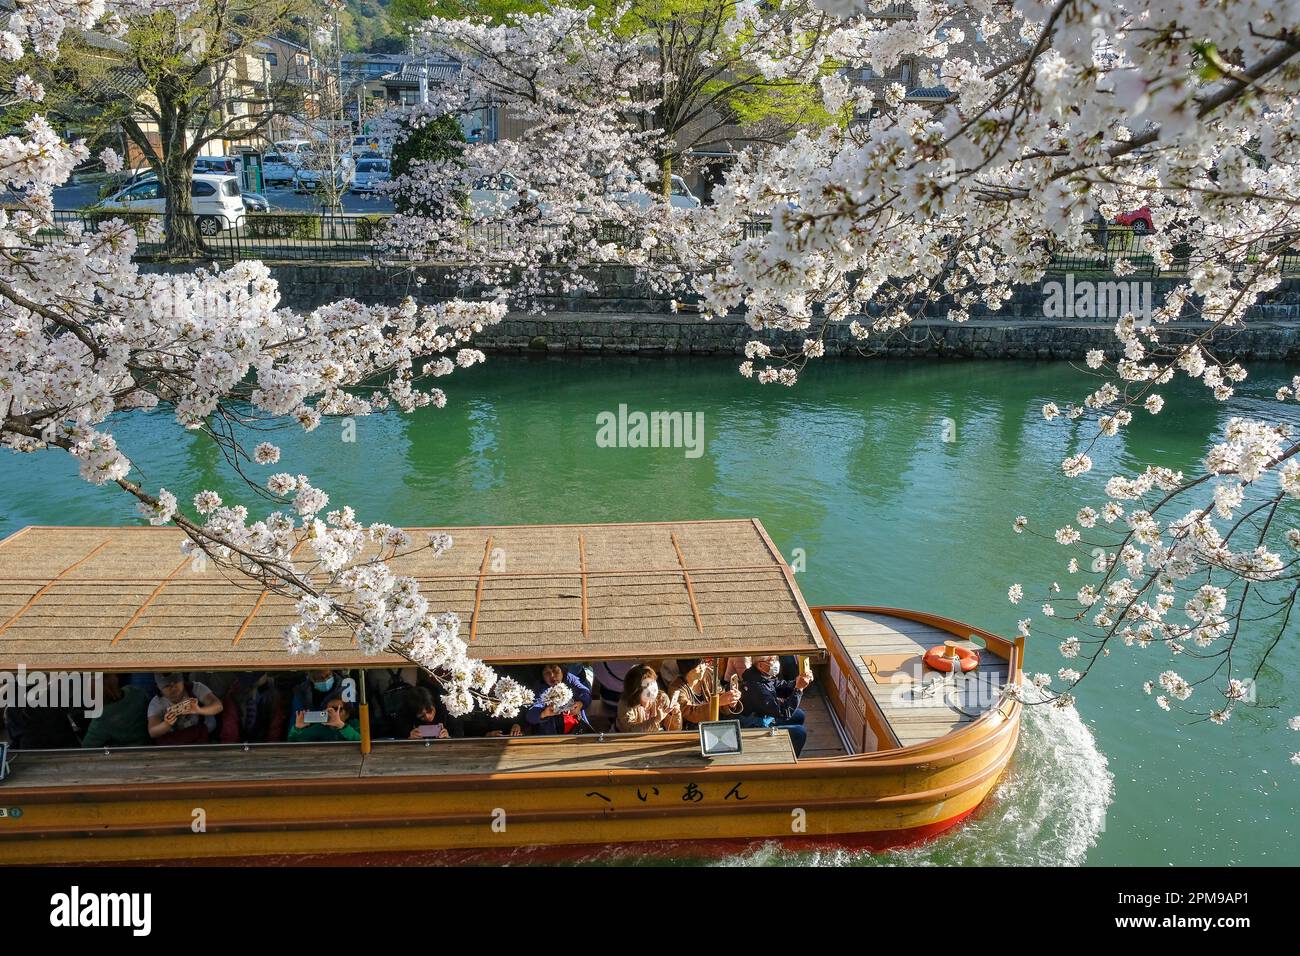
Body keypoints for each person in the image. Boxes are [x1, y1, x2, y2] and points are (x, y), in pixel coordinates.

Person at [739, 655, 812, 756]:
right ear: (760, 665)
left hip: (765, 715)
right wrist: (799, 689)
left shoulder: (760, 675)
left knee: (799, 715)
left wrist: (798, 681)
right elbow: (784, 712)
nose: (776, 662)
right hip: (756, 726)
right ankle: (786, 761)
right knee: (799, 733)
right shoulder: (758, 688)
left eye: (775, 659)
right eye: (771, 660)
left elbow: (781, 687)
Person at [147, 672, 223, 745]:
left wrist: (199, 710)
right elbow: (152, 732)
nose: (173, 688)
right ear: (159, 687)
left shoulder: (195, 688)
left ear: (182, 680)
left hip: (200, 738)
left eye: (176, 682)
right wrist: (167, 724)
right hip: (174, 744)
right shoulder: (156, 703)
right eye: (167, 686)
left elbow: (218, 706)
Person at [81, 673, 152, 749]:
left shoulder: (100, 719)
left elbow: (87, 747)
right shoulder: (136, 692)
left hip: (126, 755)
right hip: (150, 745)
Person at [669, 659, 741, 728]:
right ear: (687, 669)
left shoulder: (707, 675)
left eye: (703, 662)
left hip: (714, 725)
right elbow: (689, 713)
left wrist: (729, 703)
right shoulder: (676, 688)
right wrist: (717, 702)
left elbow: (720, 696)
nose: (702, 667)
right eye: (698, 665)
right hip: (691, 730)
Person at [219, 673, 286, 744]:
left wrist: (271, 749)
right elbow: (230, 729)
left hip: (264, 744)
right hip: (240, 743)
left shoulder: (274, 696)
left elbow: (275, 728)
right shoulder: (235, 694)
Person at [526, 662, 592, 735]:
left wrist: (581, 703)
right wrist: (544, 714)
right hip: (551, 735)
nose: (552, 676)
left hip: (577, 730)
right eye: (547, 673)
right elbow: (530, 716)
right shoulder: (540, 688)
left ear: (562, 670)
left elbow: (585, 693)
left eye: (555, 671)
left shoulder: (569, 678)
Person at [616, 664, 681, 733]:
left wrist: (675, 715)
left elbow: (674, 730)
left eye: (655, 690)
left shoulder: (661, 698)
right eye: (648, 692)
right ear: (636, 693)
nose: (654, 695)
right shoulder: (625, 704)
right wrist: (656, 720)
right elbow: (631, 731)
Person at [289, 697, 361, 743]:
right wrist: (297, 728)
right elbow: (292, 744)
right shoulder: (318, 728)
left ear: (347, 714)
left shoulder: (355, 724)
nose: (331, 711)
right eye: (328, 709)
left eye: (336, 709)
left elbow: (363, 743)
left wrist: (341, 726)